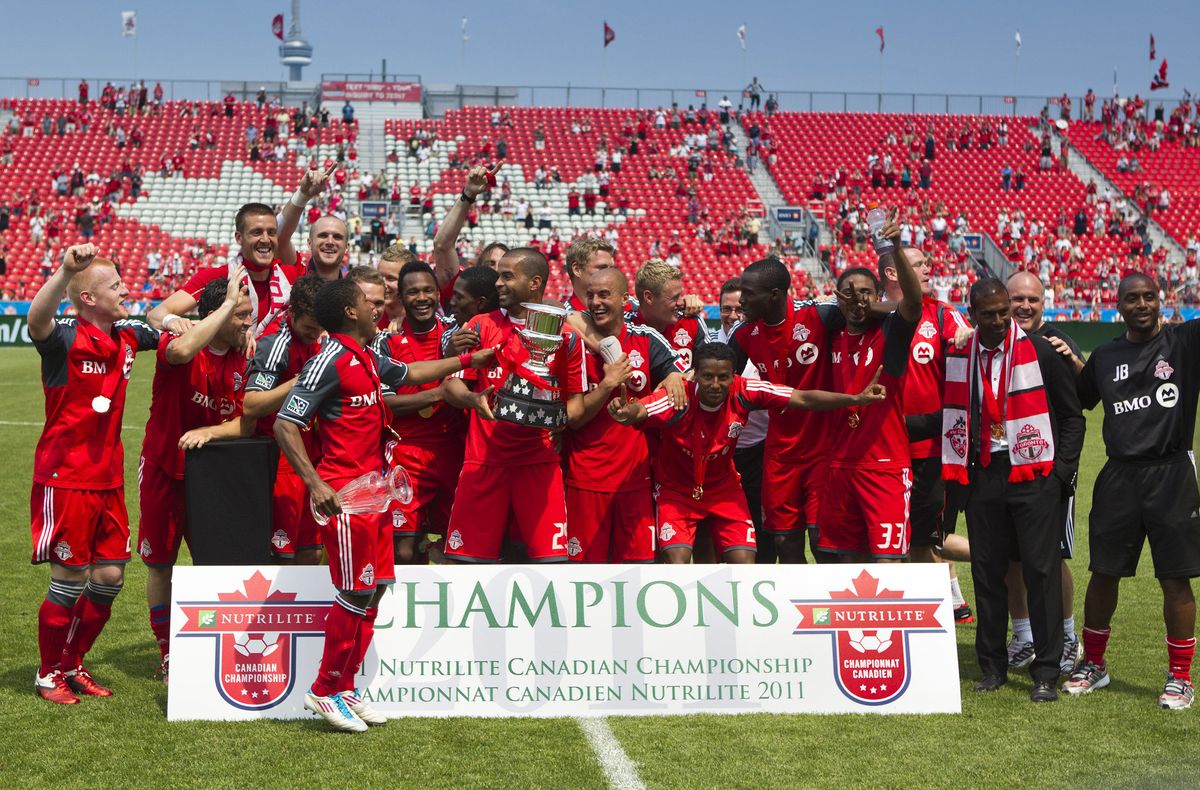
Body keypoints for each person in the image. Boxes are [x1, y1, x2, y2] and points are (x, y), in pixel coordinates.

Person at [275, 277, 494, 732]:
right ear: (351, 313)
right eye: (367, 301)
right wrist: (316, 484)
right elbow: (284, 423)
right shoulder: (329, 360)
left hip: (374, 492)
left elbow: (411, 375)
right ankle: (323, 689)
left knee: (373, 592)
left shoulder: (368, 357)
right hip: (344, 496)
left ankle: (346, 686)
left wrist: (472, 358)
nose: (377, 307)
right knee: (354, 592)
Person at [609, 343, 886, 564]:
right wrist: (625, 412)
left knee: (744, 563)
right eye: (707, 377)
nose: (715, 385)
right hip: (677, 492)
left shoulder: (745, 391)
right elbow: (641, 410)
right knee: (677, 561)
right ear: (695, 376)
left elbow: (801, 398)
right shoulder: (678, 397)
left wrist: (856, 399)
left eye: (723, 377)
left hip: (725, 491)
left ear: (734, 376)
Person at [28, 244, 160, 704]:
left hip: (109, 480)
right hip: (66, 479)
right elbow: (36, 321)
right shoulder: (63, 338)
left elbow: (163, 326)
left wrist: (193, 317)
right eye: (116, 286)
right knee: (68, 579)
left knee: (108, 578)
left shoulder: (127, 335)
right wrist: (66, 270)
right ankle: (48, 674)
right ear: (87, 298)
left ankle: (72, 662)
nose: (126, 292)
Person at [943, 278, 1084, 703]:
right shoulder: (959, 356)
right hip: (984, 473)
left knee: (1041, 573)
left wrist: (1060, 475)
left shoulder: (1042, 350)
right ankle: (992, 666)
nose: (1001, 319)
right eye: (990, 313)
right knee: (988, 573)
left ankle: (1046, 671)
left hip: (1034, 474)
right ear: (974, 314)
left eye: (1005, 311)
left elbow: (1073, 417)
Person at [1063, 273, 1199, 710]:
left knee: (1173, 578)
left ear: (1161, 300)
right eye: (1132, 298)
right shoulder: (1105, 355)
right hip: (1119, 476)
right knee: (1103, 572)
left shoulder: (1184, 342)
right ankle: (1095, 664)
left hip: (1172, 473)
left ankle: (1180, 677)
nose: (1141, 304)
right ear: (1117, 304)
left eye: (1149, 297)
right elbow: (1084, 397)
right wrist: (1069, 358)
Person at [138, 268, 253, 683]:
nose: (247, 323)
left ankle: (212, 645)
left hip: (217, 477)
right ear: (218, 314)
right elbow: (182, 352)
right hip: (165, 469)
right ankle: (168, 652)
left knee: (215, 563)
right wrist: (224, 307)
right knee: (161, 564)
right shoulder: (180, 340)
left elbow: (250, 422)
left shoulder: (248, 355)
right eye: (241, 315)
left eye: (248, 315)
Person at [440, 248, 586, 563]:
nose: (499, 284)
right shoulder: (480, 325)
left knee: (552, 566)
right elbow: (451, 386)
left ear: (535, 282)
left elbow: (576, 406)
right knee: (466, 566)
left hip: (539, 465)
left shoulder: (567, 336)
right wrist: (472, 400)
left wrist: (554, 419)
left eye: (508, 276)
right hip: (483, 462)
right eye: (498, 276)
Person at [183, 275, 330, 564]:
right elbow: (251, 405)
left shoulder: (319, 340)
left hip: (313, 454)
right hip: (283, 460)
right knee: (281, 553)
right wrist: (297, 383)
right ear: (292, 314)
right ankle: (275, 609)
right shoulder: (275, 346)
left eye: (320, 327)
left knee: (311, 551)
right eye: (310, 327)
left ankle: (306, 611)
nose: (315, 333)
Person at [816, 213, 923, 563]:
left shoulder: (889, 334)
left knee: (887, 561)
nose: (858, 300)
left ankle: (890, 621)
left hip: (885, 467)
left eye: (866, 292)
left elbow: (912, 303)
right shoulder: (829, 333)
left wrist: (895, 252)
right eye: (849, 293)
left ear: (877, 296)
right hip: (839, 465)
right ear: (837, 298)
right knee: (846, 560)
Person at [563, 268, 686, 562]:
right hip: (585, 480)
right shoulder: (572, 341)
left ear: (625, 299)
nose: (595, 302)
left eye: (604, 295)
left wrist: (673, 377)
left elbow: (681, 382)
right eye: (590, 296)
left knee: (638, 573)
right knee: (583, 576)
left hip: (635, 480)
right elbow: (575, 418)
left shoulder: (647, 340)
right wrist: (607, 383)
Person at [880, 245, 975, 620]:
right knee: (891, 541)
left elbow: (962, 334)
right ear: (893, 273)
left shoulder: (941, 312)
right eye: (917, 264)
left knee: (923, 540)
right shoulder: (873, 315)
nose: (927, 269)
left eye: (924, 263)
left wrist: (967, 338)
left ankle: (928, 622)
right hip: (882, 452)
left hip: (929, 452)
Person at [729, 259, 841, 564]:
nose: (742, 301)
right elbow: (721, 375)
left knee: (821, 540)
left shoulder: (819, 315)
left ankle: (829, 606)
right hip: (779, 454)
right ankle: (802, 610)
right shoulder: (744, 335)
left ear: (775, 295)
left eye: (749, 294)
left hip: (823, 449)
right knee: (784, 541)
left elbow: (870, 320)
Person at [1005, 271, 1085, 674]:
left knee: (1053, 555)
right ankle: (1024, 636)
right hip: (1009, 468)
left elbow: (1086, 397)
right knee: (1011, 559)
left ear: (1043, 302)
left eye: (1032, 300)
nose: (1024, 306)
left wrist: (1071, 359)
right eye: (1017, 298)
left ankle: (1067, 635)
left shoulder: (1057, 341)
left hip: (1050, 469)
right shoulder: (995, 341)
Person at [372, 262, 468, 564]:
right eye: (412, 292)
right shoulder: (384, 343)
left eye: (428, 290)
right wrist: (438, 394)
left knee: (453, 548)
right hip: (407, 455)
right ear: (400, 297)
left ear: (439, 294)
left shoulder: (458, 336)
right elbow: (385, 405)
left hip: (454, 454)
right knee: (403, 550)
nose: (422, 297)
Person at [148, 203, 305, 338]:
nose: (265, 239)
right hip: (229, 371)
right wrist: (172, 321)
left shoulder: (292, 276)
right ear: (239, 238)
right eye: (256, 232)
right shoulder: (216, 276)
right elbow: (156, 315)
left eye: (271, 232)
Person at [716, 277, 772, 563]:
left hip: (758, 452)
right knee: (718, 529)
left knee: (761, 528)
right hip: (720, 454)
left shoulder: (757, 345)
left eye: (739, 308)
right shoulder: (709, 344)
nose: (733, 315)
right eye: (726, 309)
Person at [628, 259, 710, 369]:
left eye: (680, 296)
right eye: (674, 298)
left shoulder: (691, 322)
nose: (681, 302)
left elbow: (710, 371)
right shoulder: (625, 328)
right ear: (649, 298)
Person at [277, 165, 348, 281]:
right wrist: (303, 195)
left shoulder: (354, 294)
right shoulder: (296, 276)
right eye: (323, 235)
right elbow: (278, 239)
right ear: (309, 243)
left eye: (337, 237)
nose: (330, 242)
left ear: (347, 247)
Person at [563, 237, 615, 312]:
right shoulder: (564, 319)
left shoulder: (631, 309)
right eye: (602, 268)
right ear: (577, 270)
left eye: (612, 268)